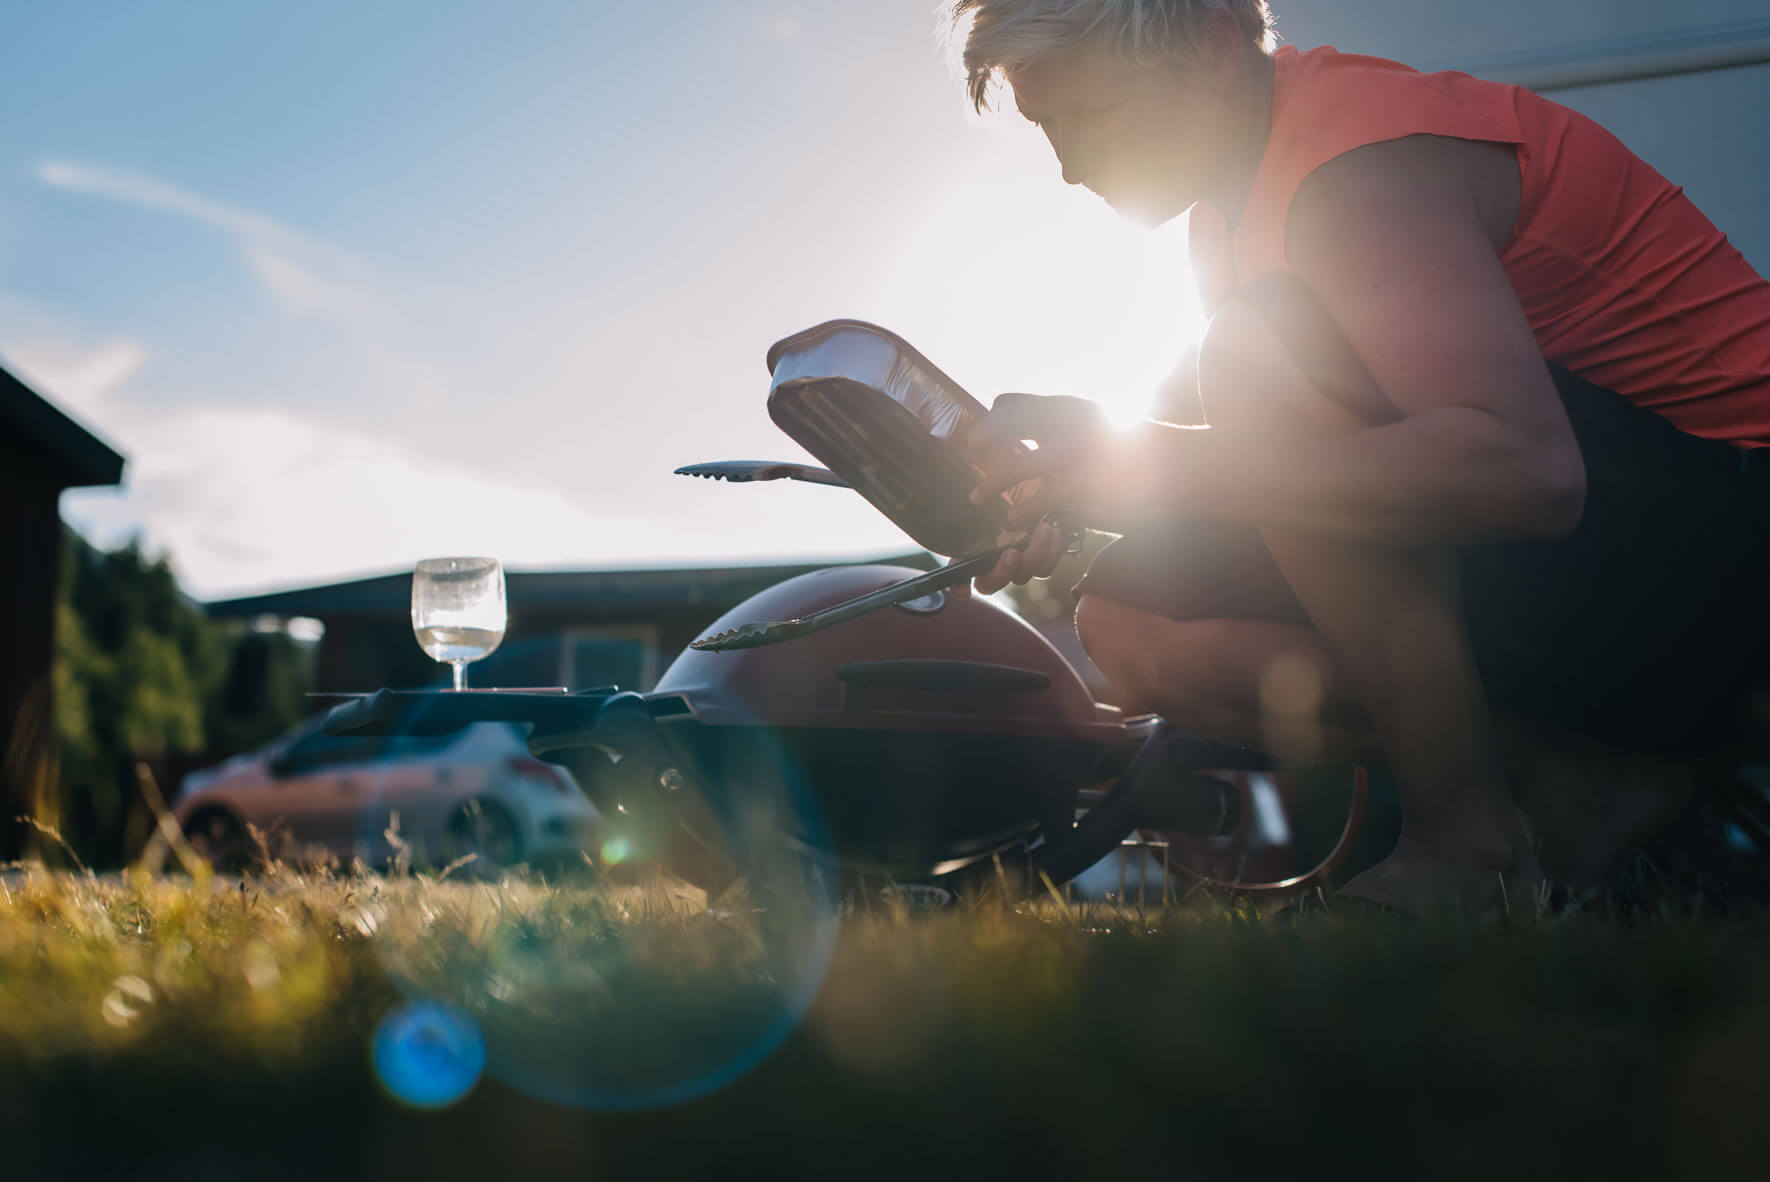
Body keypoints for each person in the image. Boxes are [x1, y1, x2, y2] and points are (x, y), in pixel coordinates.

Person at [943, 0, 1770, 914]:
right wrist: (1091, 479)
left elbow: (1531, 474)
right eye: (1048, 126)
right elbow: (1283, 476)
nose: (1069, 166)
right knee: (1132, 615)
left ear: (1215, 44)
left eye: (1092, 113)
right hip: (1617, 565)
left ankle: (1462, 846)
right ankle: (1576, 788)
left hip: (1736, 538)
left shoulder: (1354, 170)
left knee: (1257, 357)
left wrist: (1156, 467)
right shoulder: (1227, 214)